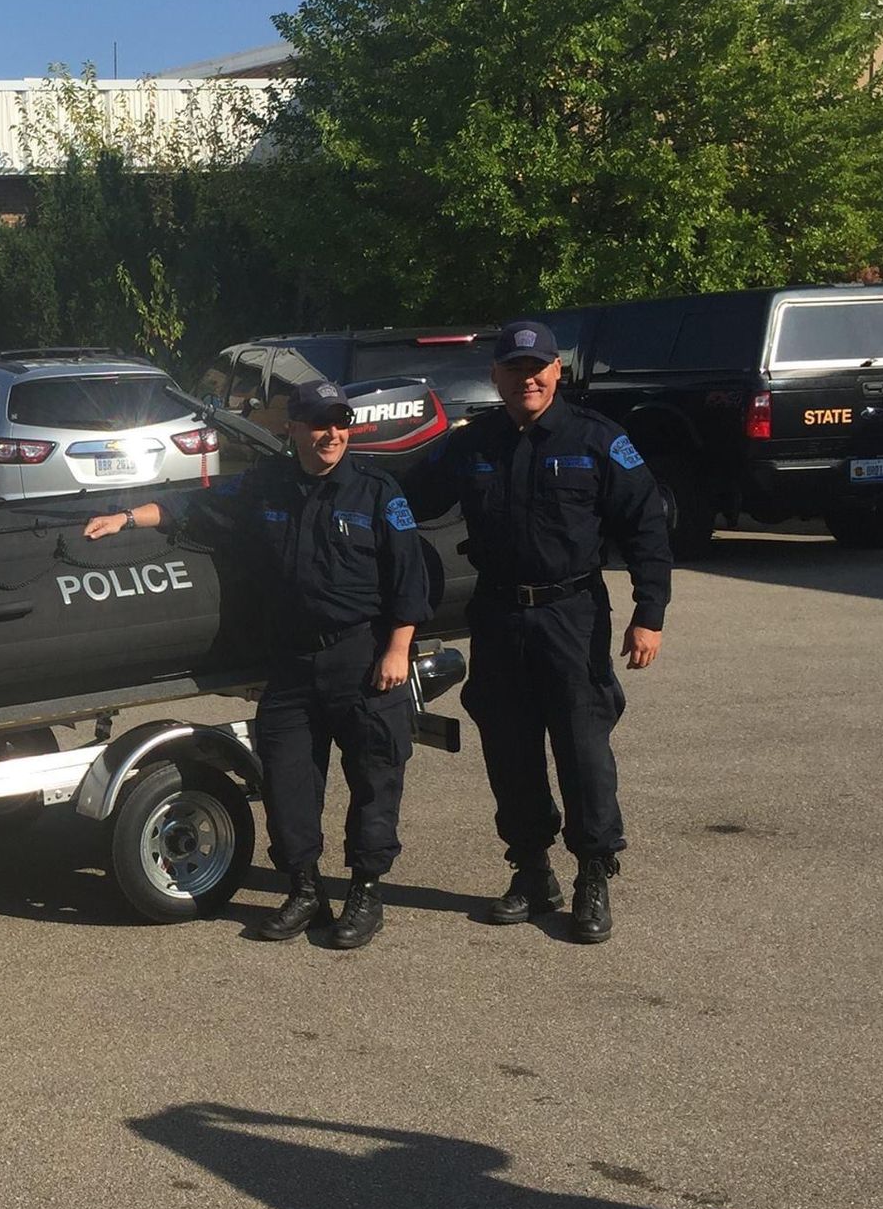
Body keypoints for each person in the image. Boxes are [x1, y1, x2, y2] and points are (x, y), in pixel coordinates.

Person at [84, 377, 430, 949]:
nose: (332, 434)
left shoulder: (376, 491)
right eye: (319, 423)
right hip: (292, 661)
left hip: (363, 657)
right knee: (288, 782)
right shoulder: (266, 487)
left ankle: (366, 893)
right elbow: (192, 508)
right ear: (292, 428)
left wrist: (397, 650)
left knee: (374, 777)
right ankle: (305, 888)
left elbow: (409, 576)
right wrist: (126, 518)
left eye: (341, 422)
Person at [428, 320, 671, 943]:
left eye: (538, 367)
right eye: (515, 369)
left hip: (572, 614)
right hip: (499, 613)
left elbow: (646, 522)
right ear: (497, 377)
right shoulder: (473, 443)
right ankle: (531, 869)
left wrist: (650, 612)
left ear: (557, 372)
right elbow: (410, 494)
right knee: (509, 747)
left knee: (582, 747)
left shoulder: (598, 440)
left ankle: (593, 871)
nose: (527, 378)